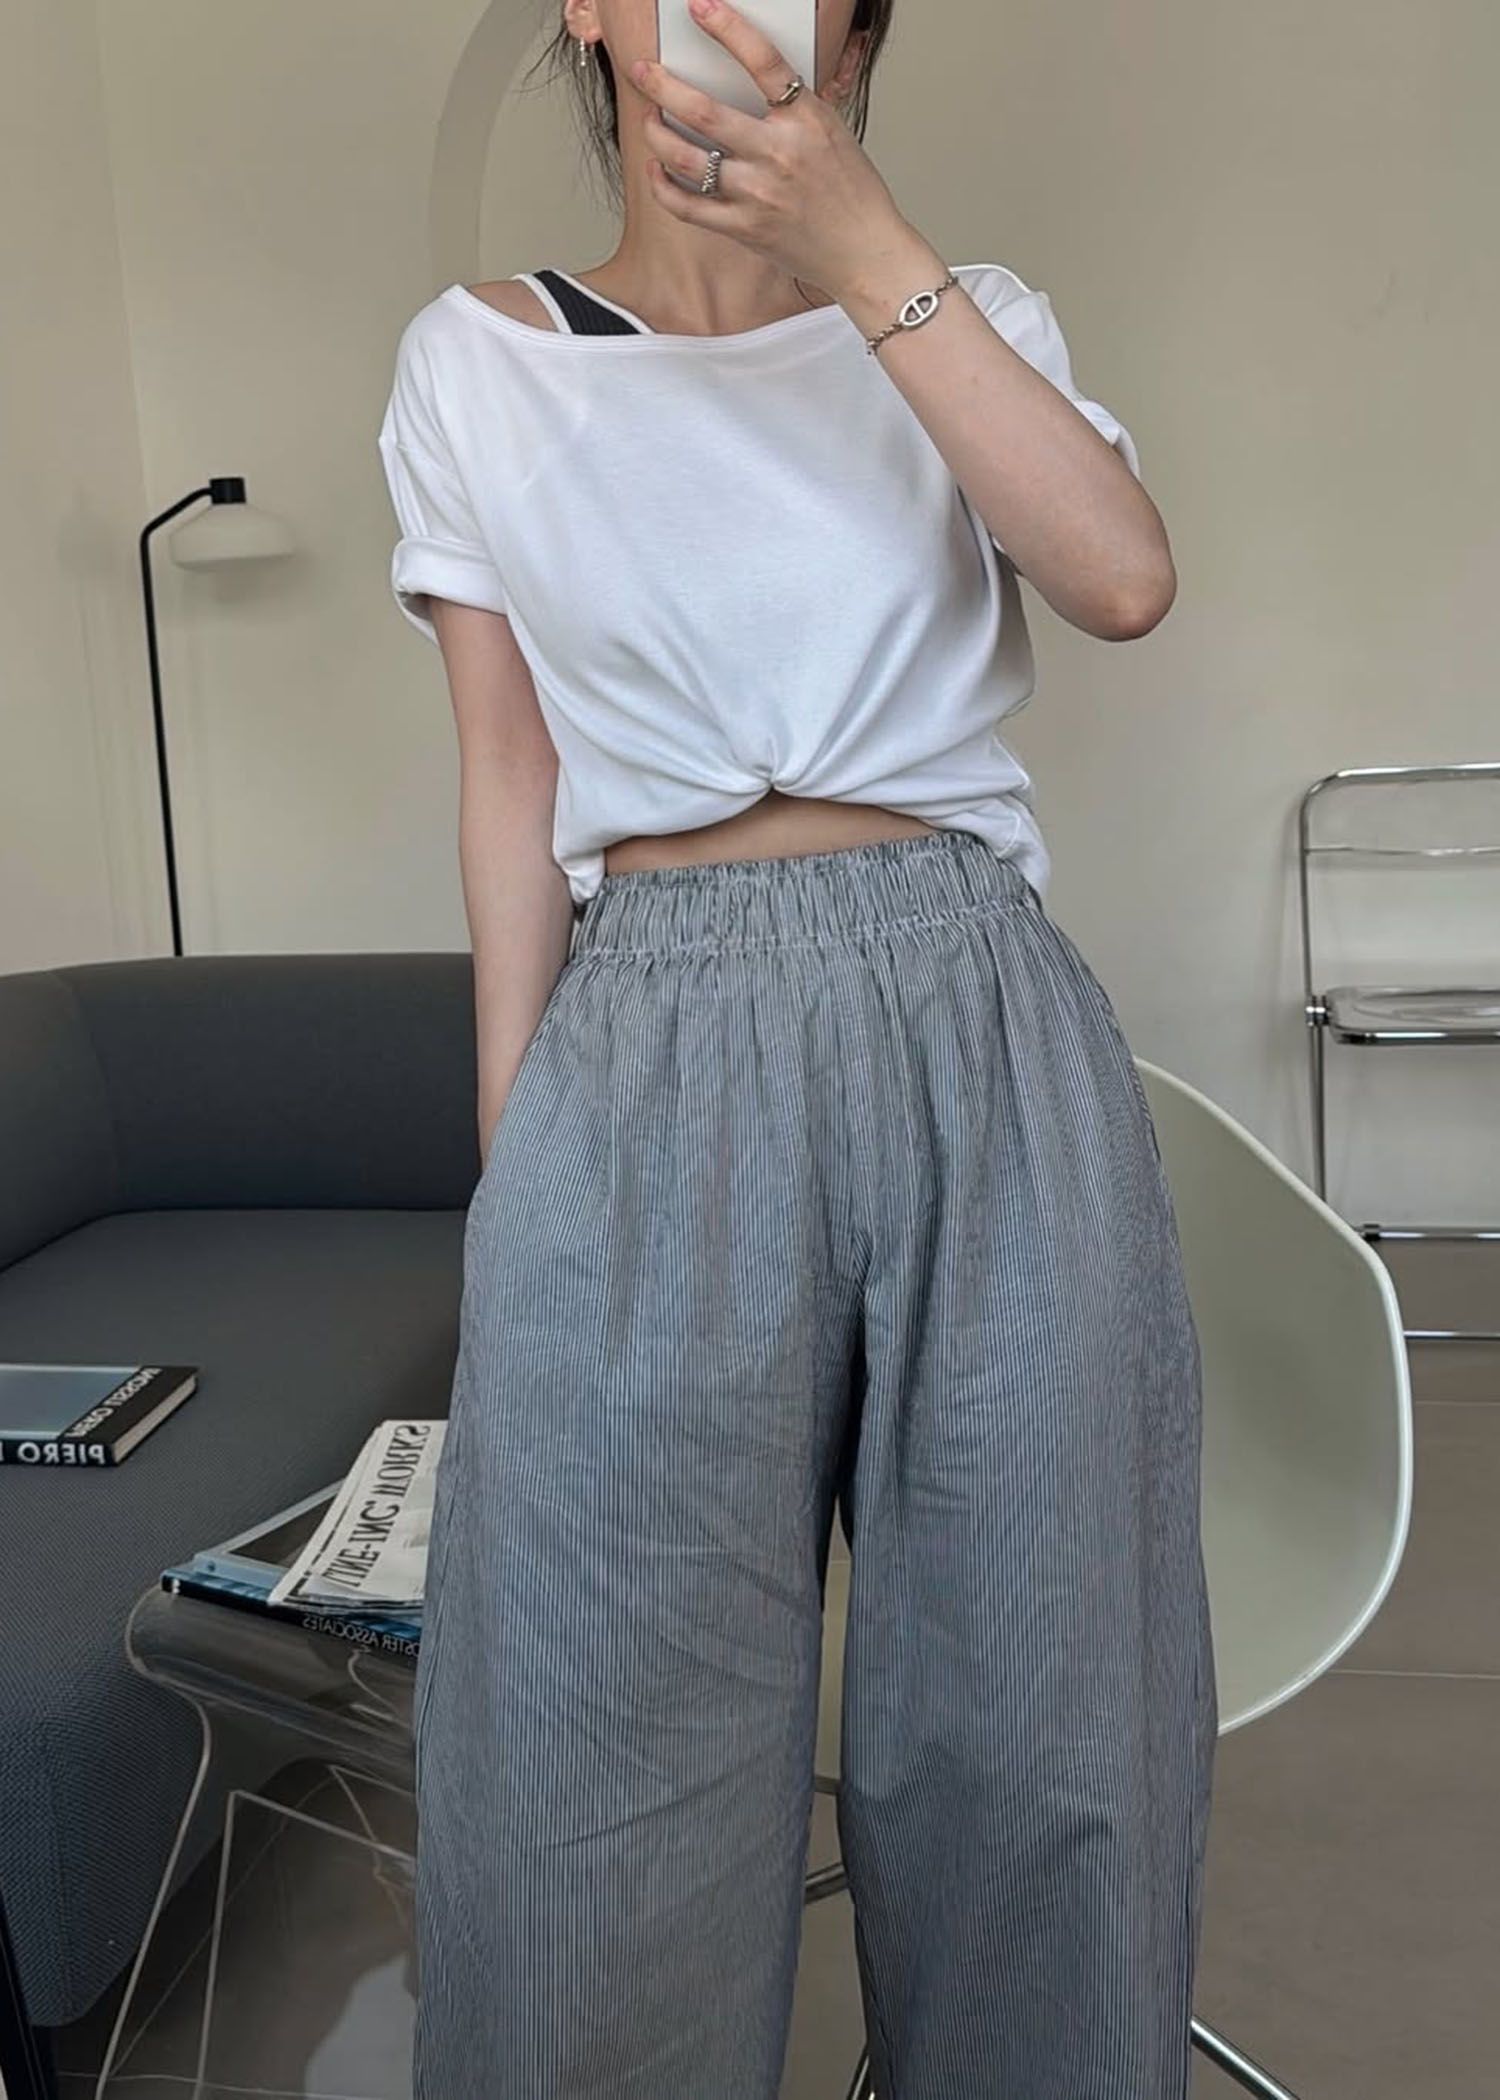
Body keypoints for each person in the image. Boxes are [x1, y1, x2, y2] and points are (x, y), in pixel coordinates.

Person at [376, 2, 1217, 2094]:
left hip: (975, 1018)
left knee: (1043, 1735)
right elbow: (507, 778)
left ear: (853, 22)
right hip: (644, 1034)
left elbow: (1120, 576)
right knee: (589, 1748)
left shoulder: (962, 311)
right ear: (590, 8)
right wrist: (518, 1156)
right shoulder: (476, 360)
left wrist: (863, 247)